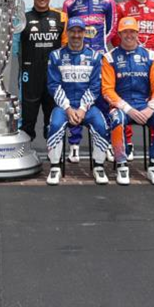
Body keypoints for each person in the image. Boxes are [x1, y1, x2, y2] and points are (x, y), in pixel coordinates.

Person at [101, 17, 154, 186]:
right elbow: (107, 90)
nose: (129, 35)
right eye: (125, 32)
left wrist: (150, 108)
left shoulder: (150, 56)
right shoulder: (109, 57)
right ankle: (121, 165)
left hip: (144, 104)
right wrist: (128, 109)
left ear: (138, 33)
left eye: (132, 31)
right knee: (117, 121)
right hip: (121, 105)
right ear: (119, 34)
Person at [44, 18, 111, 185]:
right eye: (72, 31)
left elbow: (95, 87)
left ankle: (98, 165)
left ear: (84, 33)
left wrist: (82, 109)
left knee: (101, 124)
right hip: (64, 106)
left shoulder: (95, 57)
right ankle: (55, 166)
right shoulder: (56, 55)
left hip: (86, 107)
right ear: (67, 33)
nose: (75, 35)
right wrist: (67, 108)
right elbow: (53, 85)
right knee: (54, 124)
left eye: (79, 31)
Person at [62, 0, 118, 161]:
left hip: (100, 57)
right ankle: (75, 144)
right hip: (77, 57)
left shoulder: (107, 1)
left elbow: (113, 28)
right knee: (75, 97)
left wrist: (100, 46)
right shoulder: (69, 3)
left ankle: (105, 142)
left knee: (103, 100)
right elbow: (66, 30)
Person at [14, 0, 67, 146]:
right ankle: (24, 152)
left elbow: (65, 48)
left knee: (53, 117)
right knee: (27, 118)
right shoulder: (22, 19)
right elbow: (15, 47)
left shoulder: (61, 17)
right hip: (29, 75)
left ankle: (54, 154)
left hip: (53, 75)